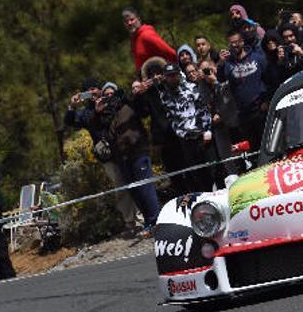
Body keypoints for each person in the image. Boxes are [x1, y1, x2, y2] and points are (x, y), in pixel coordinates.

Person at [65, 78, 139, 236]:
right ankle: (130, 221)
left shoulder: (112, 102)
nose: (92, 92)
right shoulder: (86, 113)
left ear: (101, 90)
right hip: (108, 156)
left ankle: (142, 215)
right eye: (88, 90)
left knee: (136, 181)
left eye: (95, 88)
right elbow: (70, 121)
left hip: (125, 149)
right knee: (121, 186)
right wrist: (71, 106)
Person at [92, 83, 161, 235]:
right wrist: (98, 113)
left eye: (112, 93)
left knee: (145, 188)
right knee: (134, 191)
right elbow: (97, 130)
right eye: (107, 94)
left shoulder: (128, 104)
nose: (110, 97)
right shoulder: (106, 115)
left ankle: (157, 220)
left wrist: (137, 94)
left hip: (138, 152)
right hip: (121, 158)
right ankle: (149, 222)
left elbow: (143, 109)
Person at [158, 63, 214, 192]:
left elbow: (203, 109)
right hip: (186, 139)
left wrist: (207, 130)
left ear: (179, 75)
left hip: (202, 136)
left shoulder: (192, 88)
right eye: (169, 76)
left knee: (212, 171)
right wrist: (179, 133)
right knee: (196, 175)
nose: (172, 78)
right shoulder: (164, 95)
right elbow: (170, 116)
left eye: (174, 75)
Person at [219, 30, 272, 151]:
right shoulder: (228, 63)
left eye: (236, 42)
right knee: (253, 147)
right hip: (243, 113)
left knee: (267, 143)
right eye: (231, 43)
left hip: (260, 108)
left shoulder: (258, 58)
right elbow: (220, 79)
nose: (234, 45)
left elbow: (269, 79)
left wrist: (267, 100)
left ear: (242, 42)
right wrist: (221, 63)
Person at [197, 59, 240, 185]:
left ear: (214, 67)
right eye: (204, 71)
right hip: (219, 128)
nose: (207, 72)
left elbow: (228, 99)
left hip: (234, 124)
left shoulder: (225, 77)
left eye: (208, 69)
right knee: (226, 159)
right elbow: (204, 103)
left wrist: (215, 82)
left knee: (241, 156)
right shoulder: (203, 85)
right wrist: (201, 82)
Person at [123, 8, 176, 73]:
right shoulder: (134, 39)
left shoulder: (147, 35)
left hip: (160, 77)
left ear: (138, 19)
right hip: (146, 78)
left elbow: (170, 53)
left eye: (132, 19)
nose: (129, 23)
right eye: (126, 21)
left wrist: (177, 70)